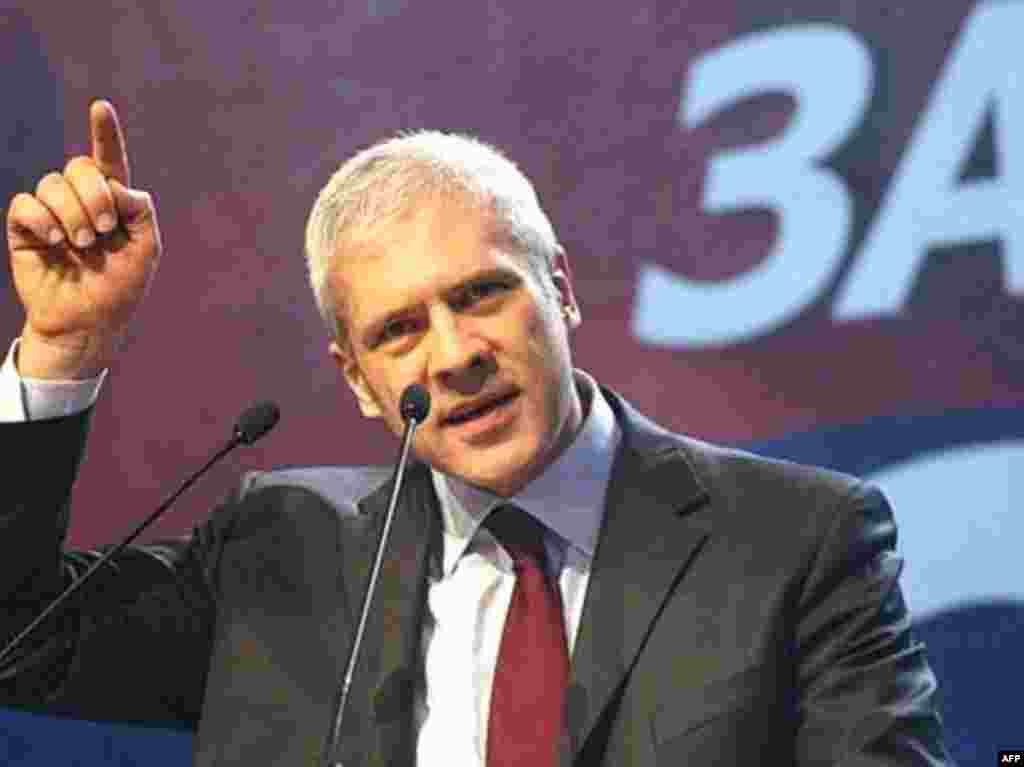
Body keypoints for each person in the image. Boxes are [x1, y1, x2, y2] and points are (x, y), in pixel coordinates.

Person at [0, 99, 954, 766]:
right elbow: (17, 641)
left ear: (562, 291)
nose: (452, 355)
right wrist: (64, 344)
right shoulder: (277, 550)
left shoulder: (797, 543)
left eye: (482, 293)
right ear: (361, 383)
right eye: (398, 330)